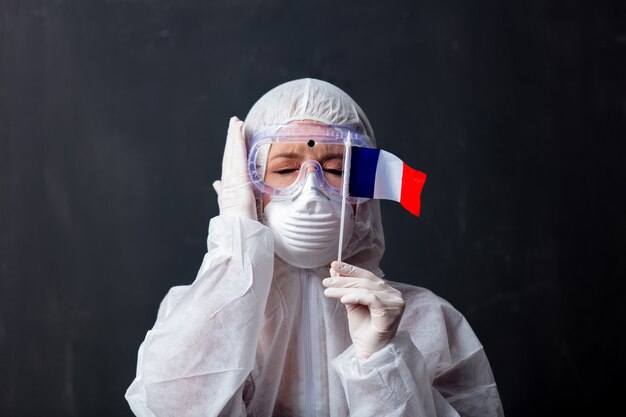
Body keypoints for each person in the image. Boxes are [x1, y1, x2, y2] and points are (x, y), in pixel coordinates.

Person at [125, 78, 504, 416]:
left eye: (337, 171)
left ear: (362, 197)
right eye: (285, 171)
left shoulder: (430, 322)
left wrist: (382, 360)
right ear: (252, 189)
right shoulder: (196, 315)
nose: (310, 194)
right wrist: (235, 247)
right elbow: (169, 407)